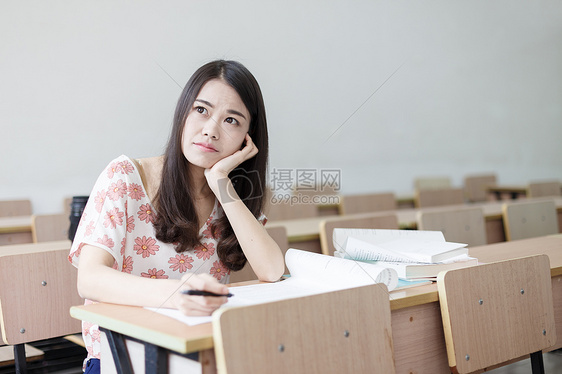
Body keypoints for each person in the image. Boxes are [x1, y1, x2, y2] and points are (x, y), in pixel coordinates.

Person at [68, 60, 285, 373]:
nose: (210, 130)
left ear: (247, 139)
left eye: (232, 120)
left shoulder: (231, 195)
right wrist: (175, 295)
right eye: (201, 110)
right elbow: (89, 279)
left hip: (201, 357)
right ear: (183, 112)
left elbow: (272, 271)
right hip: (124, 358)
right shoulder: (126, 177)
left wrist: (221, 182)